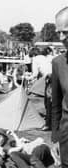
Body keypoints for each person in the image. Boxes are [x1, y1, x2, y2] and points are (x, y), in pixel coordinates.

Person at [52, 6, 68, 168]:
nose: (62, 37)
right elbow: (56, 105)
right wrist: (56, 138)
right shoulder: (58, 63)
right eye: (59, 32)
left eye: (66, 32)